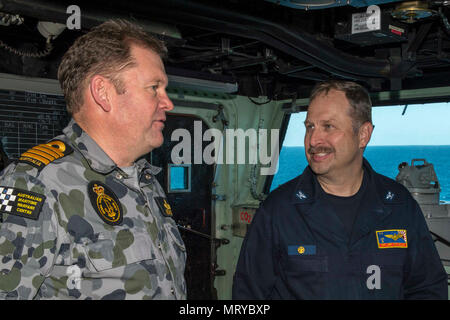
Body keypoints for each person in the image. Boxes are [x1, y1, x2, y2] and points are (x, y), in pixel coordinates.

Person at [0, 19, 186, 299]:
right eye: (154, 88)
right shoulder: (33, 184)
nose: (167, 102)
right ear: (103, 93)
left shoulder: (144, 182)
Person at [232, 80, 448, 299]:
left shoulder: (400, 205)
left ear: (363, 135)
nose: (313, 140)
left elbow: (428, 288)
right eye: (310, 127)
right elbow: (248, 297)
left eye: (328, 126)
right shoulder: (278, 210)